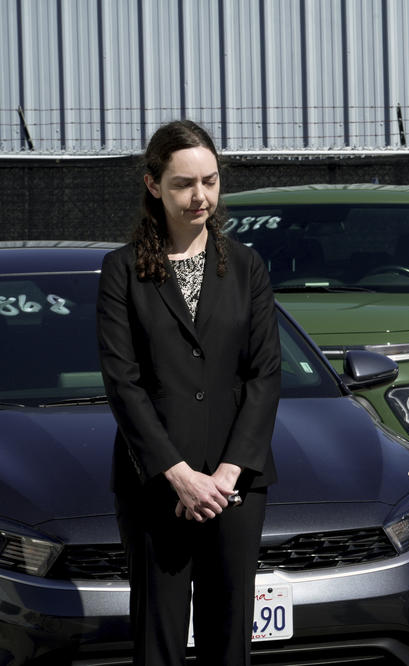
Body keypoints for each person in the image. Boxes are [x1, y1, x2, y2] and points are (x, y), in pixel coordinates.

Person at [97, 119, 281, 665]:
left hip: (236, 487)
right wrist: (178, 475)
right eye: (184, 183)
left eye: (210, 180)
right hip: (157, 488)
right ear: (154, 185)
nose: (200, 196)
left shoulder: (247, 267)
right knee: (160, 640)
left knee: (230, 644)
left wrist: (225, 476)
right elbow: (122, 383)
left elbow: (265, 376)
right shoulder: (122, 271)